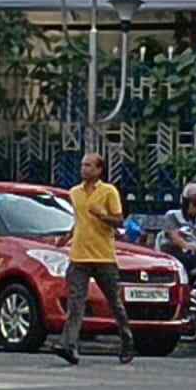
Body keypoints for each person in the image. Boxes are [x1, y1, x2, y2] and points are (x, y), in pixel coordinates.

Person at [52, 153, 135, 366]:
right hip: (79, 255)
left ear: (99, 170)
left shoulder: (108, 191)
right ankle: (68, 345)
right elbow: (79, 220)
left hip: (103, 256)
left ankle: (127, 340)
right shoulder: (75, 192)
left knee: (114, 302)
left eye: (89, 166)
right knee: (76, 302)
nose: (84, 169)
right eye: (82, 165)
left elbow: (118, 221)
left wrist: (102, 215)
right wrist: (67, 236)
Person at [160, 181, 196, 280]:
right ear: (186, 203)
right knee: (192, 260)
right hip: (174, 257)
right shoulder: (172, 216)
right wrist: (188, 246)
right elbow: (174, 236)